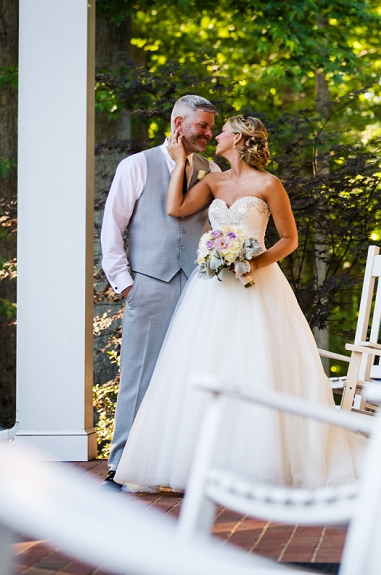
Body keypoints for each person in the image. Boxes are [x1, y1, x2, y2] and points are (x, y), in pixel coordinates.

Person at [113, 116, 364, 491]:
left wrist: (252, 263)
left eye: (223, 131)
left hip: (257, 285)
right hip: (212, 288)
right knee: (207, 362)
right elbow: (176, 208)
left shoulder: (268, 184)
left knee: (257, 362)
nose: (215, 136)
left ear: (239, 139)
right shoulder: (212, 181)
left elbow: (288, 239)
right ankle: (204, 463)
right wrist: (181, 162)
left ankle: (262, 464)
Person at [100, 94, 221, 491]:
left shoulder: (211, 170)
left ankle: (179, 466)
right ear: (177, 123)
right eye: (202, 125)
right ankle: (120, 465)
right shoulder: (137, 165)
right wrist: (126, 282)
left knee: (193, 375)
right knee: (139, 374)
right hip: (150, 283)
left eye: (211, 126)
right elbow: (112, 228)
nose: (209, 133)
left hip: (200, 287)